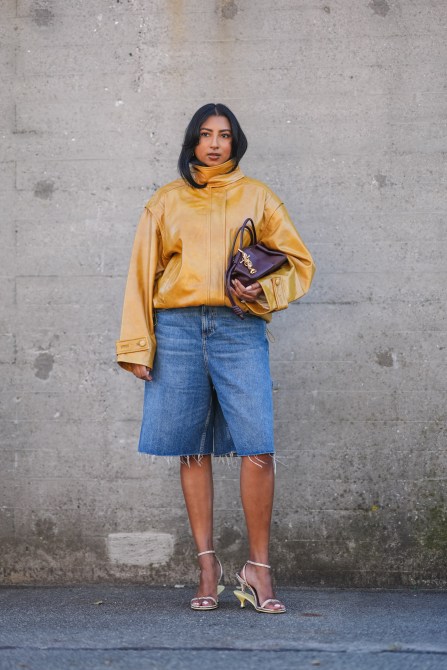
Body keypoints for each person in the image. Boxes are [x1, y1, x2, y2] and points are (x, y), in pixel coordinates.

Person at [116, 103, 315, 613]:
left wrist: (261, 292)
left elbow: (298, 263)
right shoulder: (166, 201)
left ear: (235, 142)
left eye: (224, 135)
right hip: (177, 328)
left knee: (258, 445)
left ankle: (258, 569)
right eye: (205, 134)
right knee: (192, 447)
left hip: (239, 328)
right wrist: (138, 345)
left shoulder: (258, 196)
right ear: (192, 141)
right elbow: (141, 275)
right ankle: (208, 568)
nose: (214, 143)